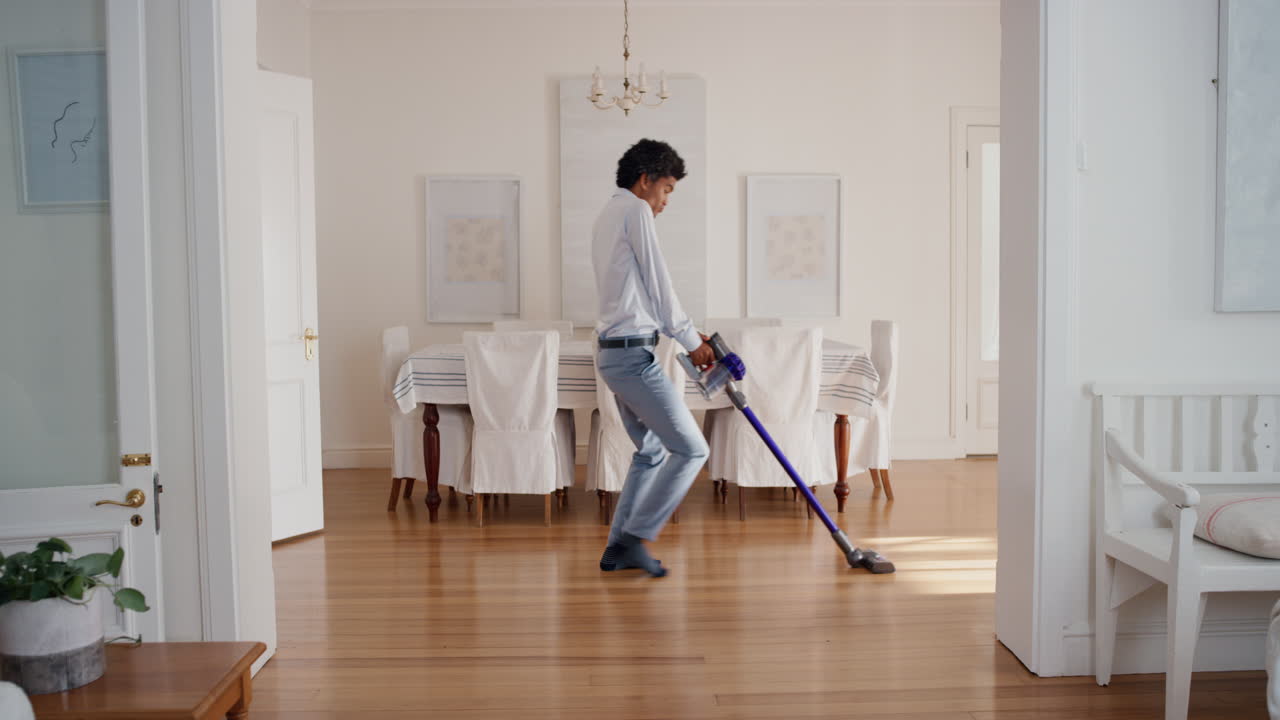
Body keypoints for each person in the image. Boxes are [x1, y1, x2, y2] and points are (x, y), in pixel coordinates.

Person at [592, 138, 714, 578]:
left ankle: (617, 550)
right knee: (693, 448)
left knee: (651, 450)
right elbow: (660, 282)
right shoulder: (635, 210)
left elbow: (636, 290)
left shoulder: (609, 212)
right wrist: (688, 340)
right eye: (666, 190)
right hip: (631, 358)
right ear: (645, 182)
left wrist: (684, 329)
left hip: (616, 352)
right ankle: (634, 539)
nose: (664, 202)